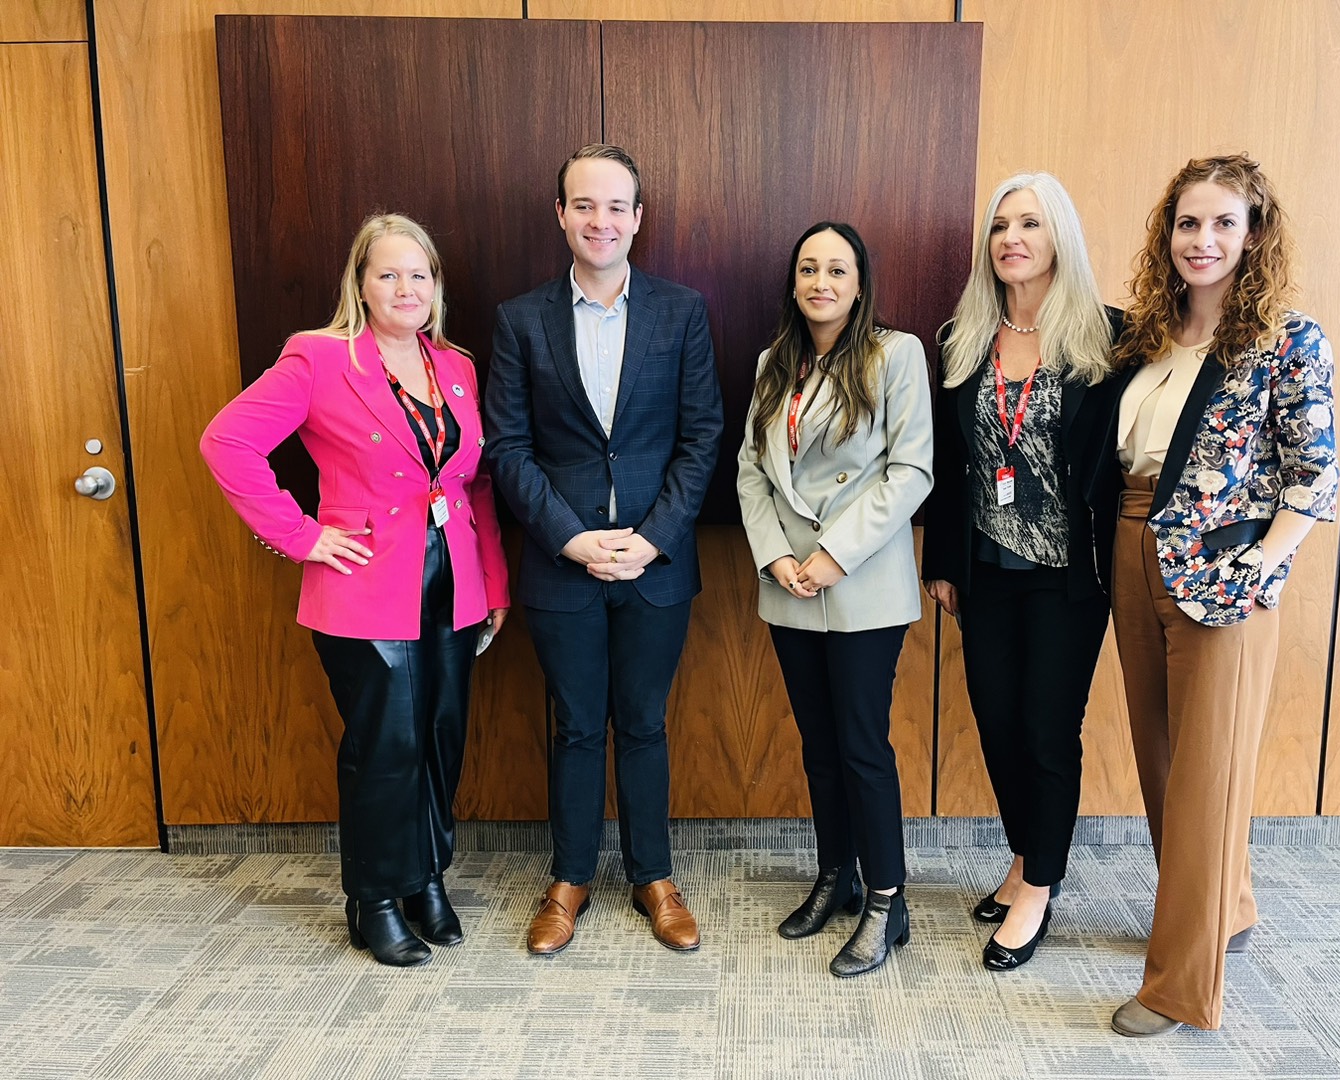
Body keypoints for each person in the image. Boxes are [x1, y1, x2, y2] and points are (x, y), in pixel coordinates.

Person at [200, 213, 511, 967]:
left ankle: (426, 879)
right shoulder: (318, 359)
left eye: (420, 274)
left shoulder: (457, 367)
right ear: (361, 285)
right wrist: (302, 535)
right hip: (366, 586)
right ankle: (373, 897)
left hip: (453, 580)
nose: (406, 288)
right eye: (388, 274)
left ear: (436, 285)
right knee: (386, 746)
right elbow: (226, 442)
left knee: (440, 734)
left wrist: (495, 583)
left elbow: (478, 484)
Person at [1105, 155, 1338, 1036]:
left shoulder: (1286, 336)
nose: (1202, 241)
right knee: (1163, 763)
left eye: (1223, 224)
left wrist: (1264, 561)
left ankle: (1177, 986)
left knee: (1206, 777)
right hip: (1134, 554)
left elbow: (1315, 470)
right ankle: (1225, 906)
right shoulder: (1149, 337)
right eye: (1187, 224)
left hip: (1226, 575)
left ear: (1255, 235)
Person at [484, 144, 723, 956]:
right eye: (584, 205)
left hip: (657, 567)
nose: (601, 220)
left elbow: (702, 438)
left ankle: (653, 876)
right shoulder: (520, 320)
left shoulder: (682, 311)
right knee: (579, 726)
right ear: (561, 215)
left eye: (616, 206)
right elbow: (508, 447)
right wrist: (572, 537)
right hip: (564, 564)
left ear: (638, 218)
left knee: (646, 723)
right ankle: (571, 879)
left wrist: (652, 541)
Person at [920, 174, 1117, 971]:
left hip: (1070, 577)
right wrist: (941, 563)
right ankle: (1025, 855)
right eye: (1001, 225)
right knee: (998, 725)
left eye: (1030, 223)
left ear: (1057, 236)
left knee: (1046, 730)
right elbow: (947, 465)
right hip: (986, 569)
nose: (1012, 238)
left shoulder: (1109, 339)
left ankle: (1039, 884)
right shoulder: (961, 340)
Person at [736, 221, 933, 978]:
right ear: (794, 282)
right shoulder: (772, 363)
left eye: (837, 270)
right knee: (819, 747)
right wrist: (779, 556)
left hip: (861, 585)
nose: (822, 281)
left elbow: (910, 472)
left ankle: (888, 900)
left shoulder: (896, 354)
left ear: (860, 283)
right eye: (809, 269)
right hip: (788, 584)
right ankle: (835, 875)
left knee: (860, 746)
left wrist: (831, 556)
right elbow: (752, 471)